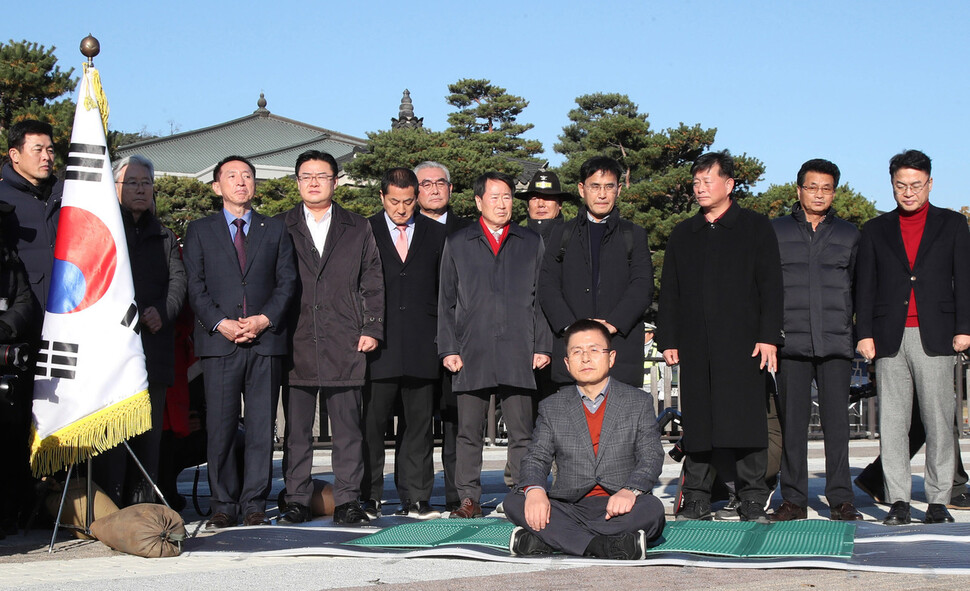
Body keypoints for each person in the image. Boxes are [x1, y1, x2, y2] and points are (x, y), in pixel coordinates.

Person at [656, 151, 784, 523]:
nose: (699, 189)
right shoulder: (685, 232)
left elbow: (771, 286)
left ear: (728, 185)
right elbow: (671, 292)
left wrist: (768, 336)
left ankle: (752, 498)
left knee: (746, 423)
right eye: (695, 182)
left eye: (706, 181)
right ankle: (696, 497)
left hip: (745, 344)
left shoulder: (755, 227)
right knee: (699, 425)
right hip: (696, 345)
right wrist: (669, 338)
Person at [855, 149, 970, 525]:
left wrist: (964, 327)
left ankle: (938, 500)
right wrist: (864, 334)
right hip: (890, 336)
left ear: (930, 184)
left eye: (916, 185)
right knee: (892, 422)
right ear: (892, 185)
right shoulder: (874, 229)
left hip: (936, 334)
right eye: (901, 185)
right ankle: (899, 499)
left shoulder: (952, 224)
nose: (908, 192)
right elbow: (864, 286)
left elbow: (964, 279)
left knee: (938, 420)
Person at [183, 155, 296, 529]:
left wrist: (264, 319)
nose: (241, 181)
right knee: (222, 427)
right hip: (220, 343)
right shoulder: (199, 230)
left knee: (262, 427)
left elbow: (287, 282)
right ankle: (222, 502)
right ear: (217, 186)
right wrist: (220, 322)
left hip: (265, 342)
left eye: (247, 175)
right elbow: (194, 286)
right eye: (231, 176)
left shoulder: (275, 229)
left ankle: (254, 503)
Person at [277, 150, 383, 526]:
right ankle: (296, 499)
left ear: (336, 181)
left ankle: (348, 500)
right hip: (296, 338)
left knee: (347, 429)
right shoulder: (281, 225)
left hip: (345, 336)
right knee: (297, 431)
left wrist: (371, 327)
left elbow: (372, 279)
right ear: (297, 182)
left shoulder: (357, 226)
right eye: (306, 176)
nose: (314, 182)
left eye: (322, 176)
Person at [438, 171, 552, 518]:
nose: (502, 204)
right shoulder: (459, 242)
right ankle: (468, 498)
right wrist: (448, 348)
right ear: (478, 201)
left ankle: (520, 494)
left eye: (507, 197)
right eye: (494, 197)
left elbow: (542, 300)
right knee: (468, 433)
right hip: (472, 348)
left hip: (519, 346)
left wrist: (542, 345)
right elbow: (446, 300)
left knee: (522, 432)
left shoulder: (530, 241)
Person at [506, 319, 665, 559]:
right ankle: (605, 545)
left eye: (594, 350)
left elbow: (651, 456)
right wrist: (536, 491)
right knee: (515, 501)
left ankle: (552, 539)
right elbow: (536, 457)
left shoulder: (638, 402)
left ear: (611, 358)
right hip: (569, 505)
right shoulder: (552, 406)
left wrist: (630, 491)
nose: (586, 358)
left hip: (619, 505)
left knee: (652, 510)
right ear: (568, 363)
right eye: (577, 352)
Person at [768, 159, 862, 522]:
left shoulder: (850, 234)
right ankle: (793, 499)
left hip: (836, 342)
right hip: (790, 343)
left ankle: (841, 497)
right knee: (793, 425)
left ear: (834, 192)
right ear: (799, 190)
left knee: (838, 425)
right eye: (812, 187)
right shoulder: (774, 231)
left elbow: (858, 287)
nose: (819, 194)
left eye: (826, 188)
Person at [94, 155, 186, 507]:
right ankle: (109, 508)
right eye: (131, 182)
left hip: (153, 346)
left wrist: (163, 311)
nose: (139, 189)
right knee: (113, 435)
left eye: (145, 183)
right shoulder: (102, 230)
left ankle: (144, 507)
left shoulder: (164, 234)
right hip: (111, 348)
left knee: (148, 436)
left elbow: (178, 279)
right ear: (115, 187)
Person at [361, 168, 446, 519]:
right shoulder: (364, 230)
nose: (401, 209)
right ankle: (369, 495)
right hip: (377, 344)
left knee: (419, 427)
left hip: (422, 342)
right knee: (371, 425)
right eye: (394, 201)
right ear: (382, 198)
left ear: (418, 197)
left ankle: (417, 497)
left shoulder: (436, 233)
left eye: (408, 201)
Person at [539, 156, 653, 389]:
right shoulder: (561, 234)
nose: (602, 194)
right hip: (572, 351)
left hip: (619, 349)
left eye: (609, 186)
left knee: (620, 424)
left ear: (618, 190)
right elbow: (547, 286)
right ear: (582, 189)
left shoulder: (634, 234)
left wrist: (611, 324)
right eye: (595, 186)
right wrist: (573, 328)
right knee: (572, 423)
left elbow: (642, 286)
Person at [0, 120, 60, 531]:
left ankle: (56, 504)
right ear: (14, 154)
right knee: (15, 422)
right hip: (22, 329)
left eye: (50, 149)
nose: (46, 156)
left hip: (69, 324)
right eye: (37, 149)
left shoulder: (68, 192)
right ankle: (13, 508)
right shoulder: (3, 200)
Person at [414, 161, 473, 512]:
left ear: (451, 189)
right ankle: (417, 495)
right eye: (426, 184)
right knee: (418, 421)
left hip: (461, 340)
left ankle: (458, 494)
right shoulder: (403, 228)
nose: (434, 189)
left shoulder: (467, 230)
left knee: (458, 420)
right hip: (419, 339)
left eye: (441, 183)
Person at [516, 170, 570, 244]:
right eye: (535, 198)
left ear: (560, 204)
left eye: (547, 198)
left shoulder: (574, 239)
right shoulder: (515, 240)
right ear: (528, 205)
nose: (541, 204)